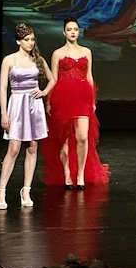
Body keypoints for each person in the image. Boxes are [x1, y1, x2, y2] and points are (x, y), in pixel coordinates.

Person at [42, 16, 110, 188]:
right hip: (62, 97)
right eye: (69, 30)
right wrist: (49, 101)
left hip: (82, 97)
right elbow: (54, 79)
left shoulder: (86, 51)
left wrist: (92, 100)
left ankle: (80, 175)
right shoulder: (58, 53)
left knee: (82, 137)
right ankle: (67, 174)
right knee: (63, 138)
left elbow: (89, 76)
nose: (72, 32)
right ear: (64, 32)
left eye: (75, 29)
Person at [0, 23, 56, 209]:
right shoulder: (9, 60)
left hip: (33, 106)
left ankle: (26, 190)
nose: (30, 43)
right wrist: (4, 113)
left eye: (32, 39)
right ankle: (1, 192)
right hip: (16, 104)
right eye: (27, 39)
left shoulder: (37, 60)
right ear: (18, 41)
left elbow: (52, 79)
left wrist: (43, 92)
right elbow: (3, 88)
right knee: (13, 148)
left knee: (32, 147)